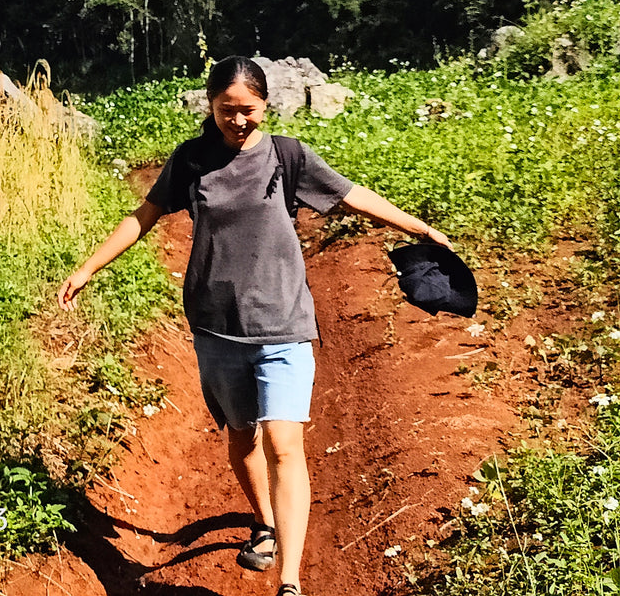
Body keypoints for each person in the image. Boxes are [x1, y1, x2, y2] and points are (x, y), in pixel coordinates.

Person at [57, 55, 452, 596]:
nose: (238, 121)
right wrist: (88, 268)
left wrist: (417, 225)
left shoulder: (286, 155)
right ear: (210, 106)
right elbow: (142, 217)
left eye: (248, 110)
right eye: (226, 110)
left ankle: (289, 580)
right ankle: (263, 521)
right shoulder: (192, 160)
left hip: (283, 321)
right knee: (240, 436)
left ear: (265, 105)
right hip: (216, 326)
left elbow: (350, 195)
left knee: (284, 445)